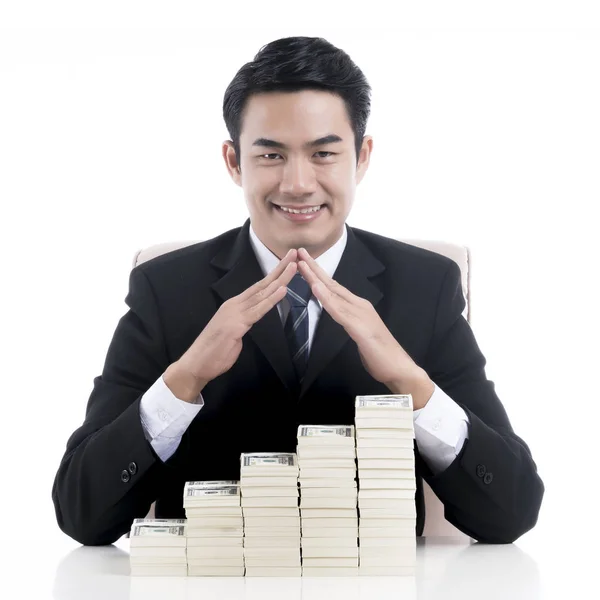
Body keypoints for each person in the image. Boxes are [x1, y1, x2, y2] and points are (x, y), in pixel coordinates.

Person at [52, 36, 544, 546]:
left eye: (324, 153)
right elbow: (82, 514)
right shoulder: (165, 287)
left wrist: (408, 381)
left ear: (362, 156)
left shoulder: (427, 285)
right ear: (233, 161)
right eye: (270, 154)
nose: (298, 183)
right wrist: (185, 377)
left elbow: (511, 511)